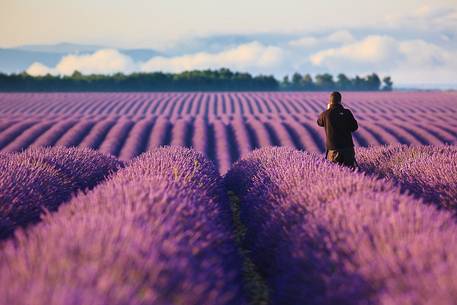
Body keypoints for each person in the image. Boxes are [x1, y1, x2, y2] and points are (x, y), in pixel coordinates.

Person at [317, 91, 358, 168]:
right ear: (340, 101)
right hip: (348, 148)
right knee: (351, 172)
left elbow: (319, 122)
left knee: (335, 172)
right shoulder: (347, 112)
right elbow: (355, 127)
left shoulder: (326, 114)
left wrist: (328, 109)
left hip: (334, 150)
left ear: (330, 101)